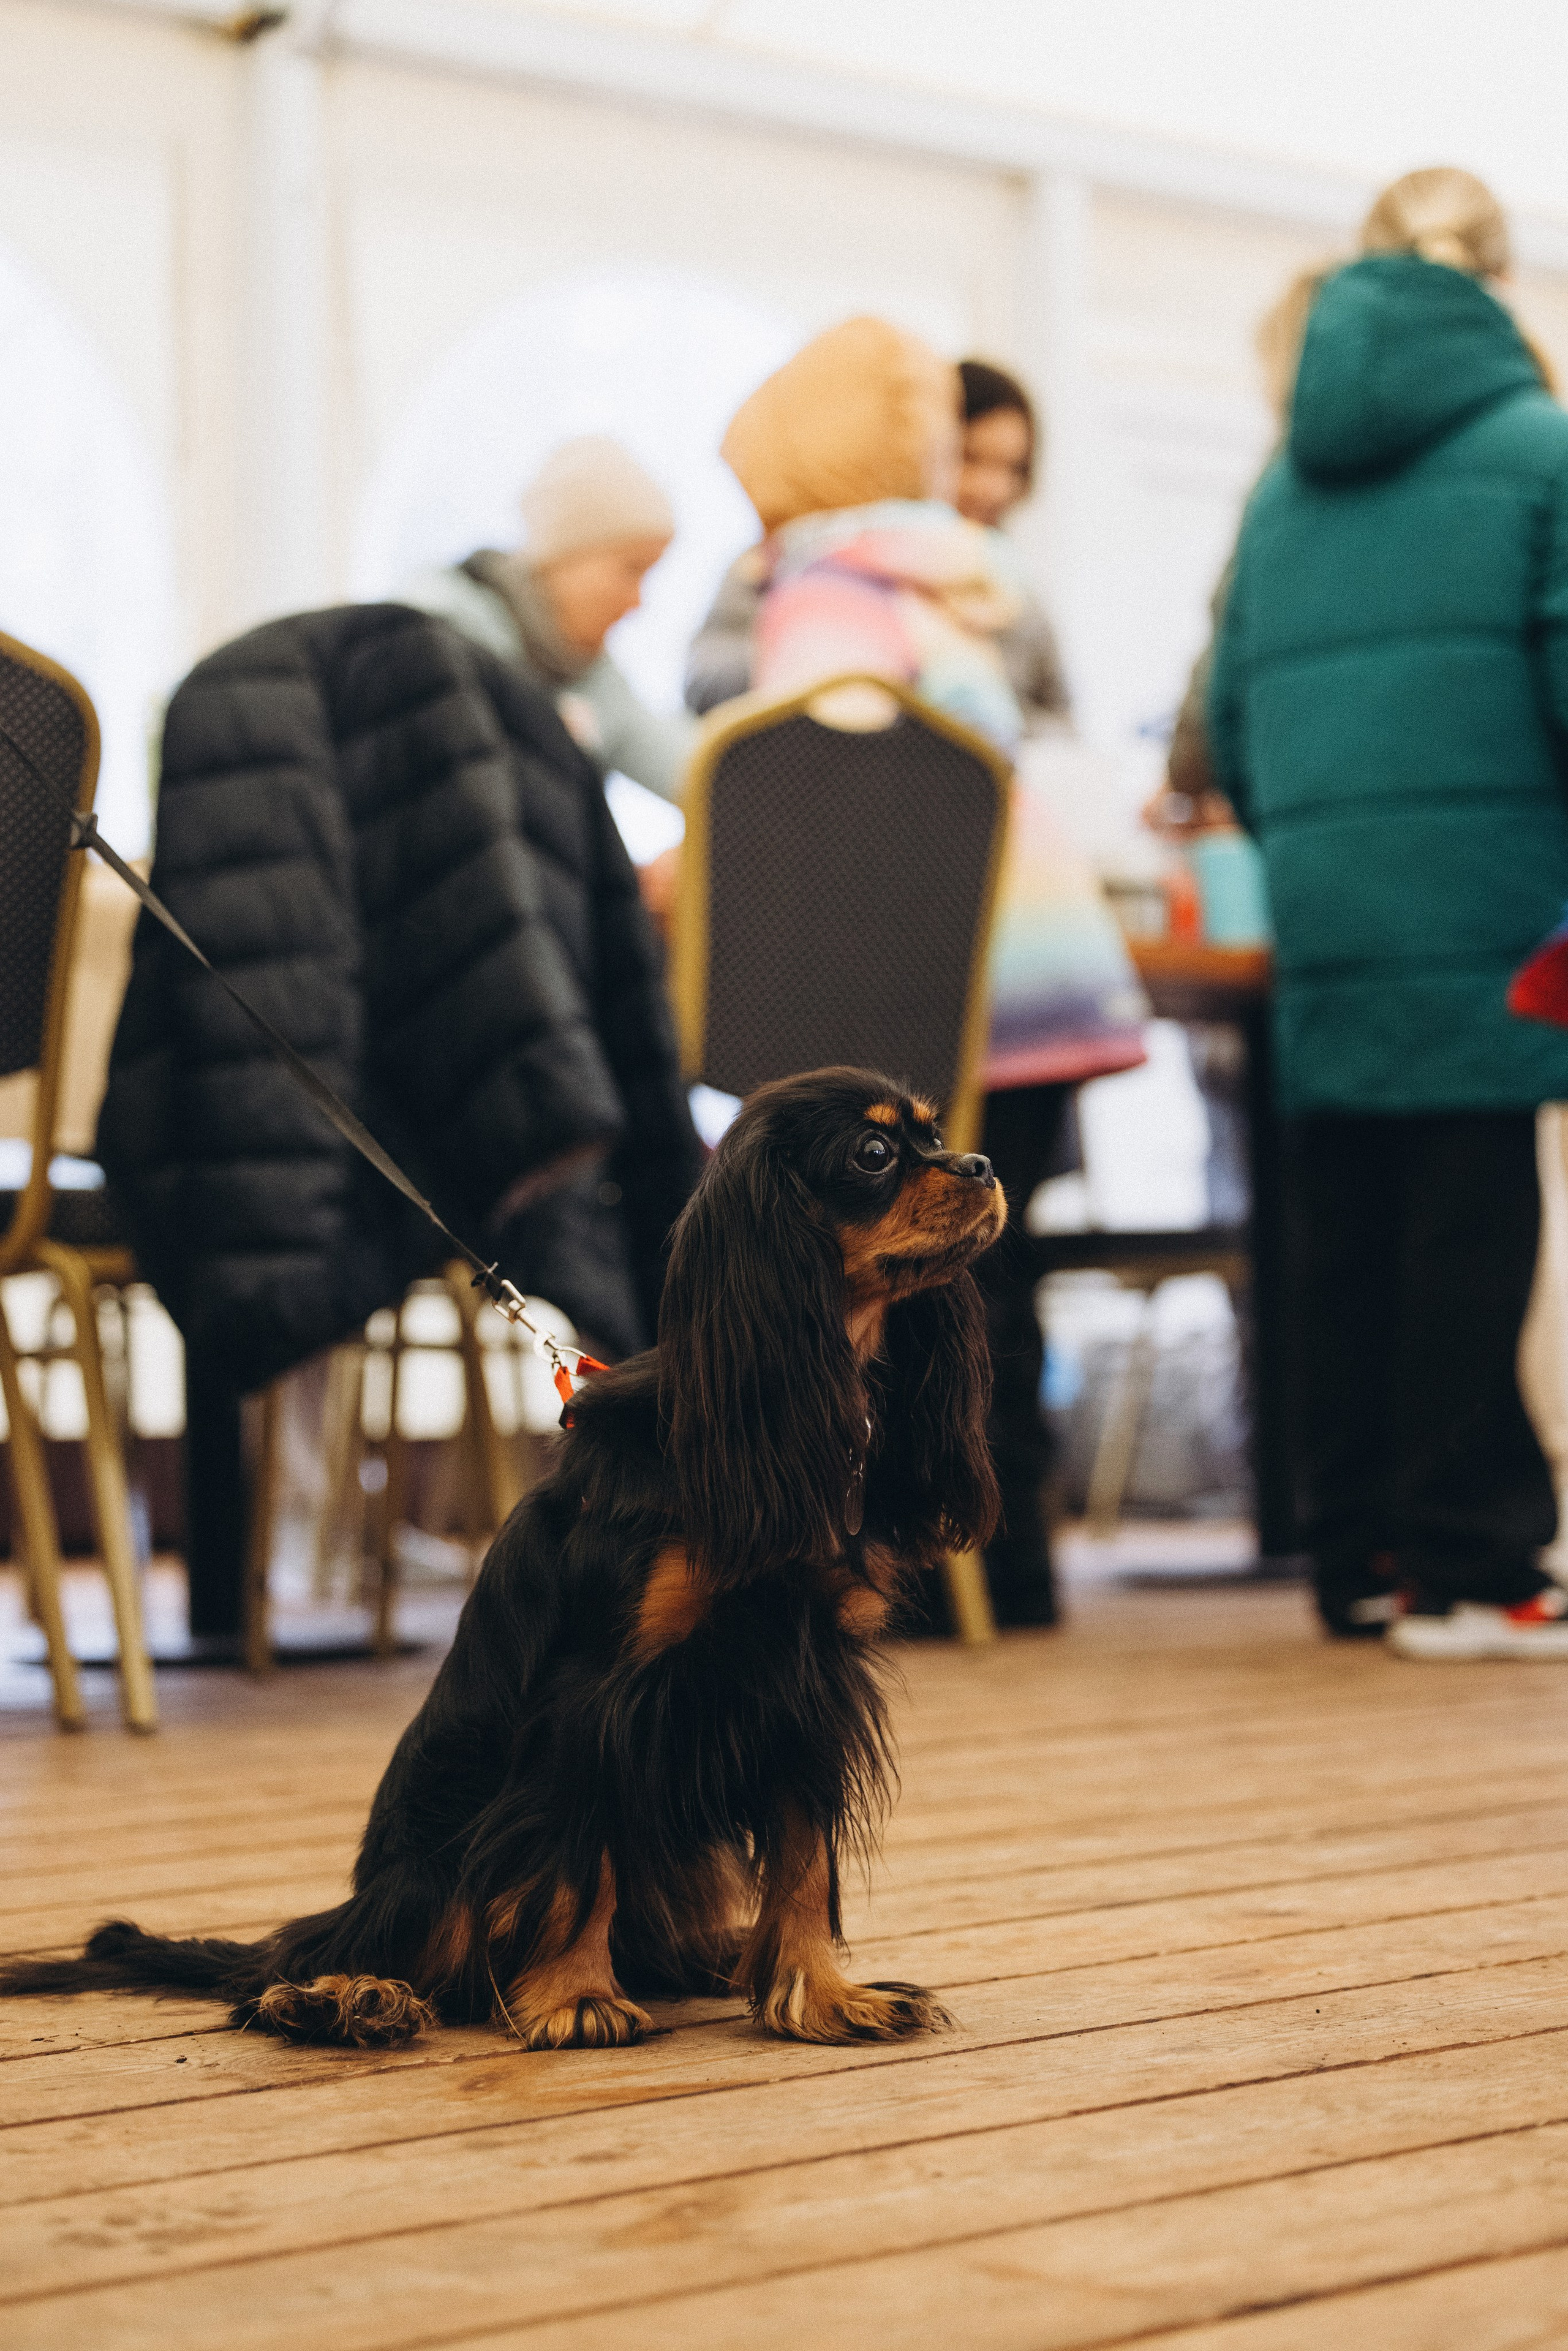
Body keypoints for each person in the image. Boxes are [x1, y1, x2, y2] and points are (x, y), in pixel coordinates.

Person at [1206, 165, 1568, 1657]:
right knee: (1465, 1228)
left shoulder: (1278, 487)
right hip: (1485, 905)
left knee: (1342, 1231)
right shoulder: (1540, 449)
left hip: (1325, 903)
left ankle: (1350, 1555)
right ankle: (1469, 1565)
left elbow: (1224, 723)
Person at [685, 352, 1069, 733]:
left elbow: (1061, 722)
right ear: (923, 453)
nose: (994, 488)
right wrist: (836, 657)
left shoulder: (1009, 592)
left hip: (967, 788)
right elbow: (702, 686)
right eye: (971, 459)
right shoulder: (785, 561)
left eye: (1013, 468)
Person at [403, 436, 692, 803]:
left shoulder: (593, 678)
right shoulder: (436, 630)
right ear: (563, 556)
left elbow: (703, 775)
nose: (637, 602)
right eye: (632, 570)